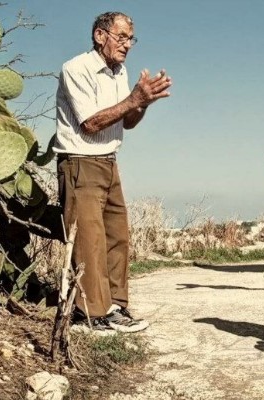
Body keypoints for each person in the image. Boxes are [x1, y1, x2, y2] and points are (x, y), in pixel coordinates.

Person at [54, 11, 172, 334]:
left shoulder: (119, 72)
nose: (128, 45)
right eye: (121, 37)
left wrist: (142, 103)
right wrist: (133, 98)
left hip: (109, 161)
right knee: (89, 239)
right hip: (80, 161)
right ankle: (93, 313)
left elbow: (126, 122)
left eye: (131, 39)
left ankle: (116, 306)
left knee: (117, 235)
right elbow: (90, 123)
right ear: (100, 35)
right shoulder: (75, 69)